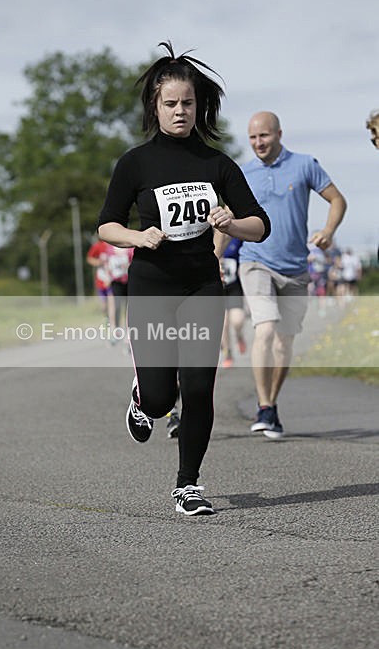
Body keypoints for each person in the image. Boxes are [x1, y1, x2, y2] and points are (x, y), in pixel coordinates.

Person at [97, 41, 270, 516]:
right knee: (161, 399)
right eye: (171, 103)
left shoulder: (217, 164)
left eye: (188, 103)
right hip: (152, 287)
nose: (180, 111)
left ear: (199, 106)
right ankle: (142, 398)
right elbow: (106, 225)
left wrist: (231, 223)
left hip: (201, 287)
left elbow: (260, 225)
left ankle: (187, 485)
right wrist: (138, 236)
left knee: (197, 389)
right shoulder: (135, 163)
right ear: (155, 107)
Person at [239, 111, 347, 439]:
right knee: (265, 328)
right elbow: (228, 216)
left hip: (295, 268)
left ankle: (270, 404)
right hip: (255, 261)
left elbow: (337, 200)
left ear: (279, 134)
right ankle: (263, 406)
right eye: (253, 137)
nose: (258, 143)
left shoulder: (304, 165)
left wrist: (328, 231)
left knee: (285, 341)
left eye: (264, 136)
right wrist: (214, 256)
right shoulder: (243, 173)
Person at [220, 236, 247, 368]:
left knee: (237, 321)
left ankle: (239, 335)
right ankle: (228, 353)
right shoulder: (208, 236)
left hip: (234, 285)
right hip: (218, 287)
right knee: (223, 324)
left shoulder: (236, 238)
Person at [86, 238, 115, 329]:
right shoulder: (98, 246)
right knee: (104, 305)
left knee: (112, 302)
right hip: (101, 279)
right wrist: (98, 262)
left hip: (112, 279)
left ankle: (112, 323)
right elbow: (89, 258)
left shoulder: (116, 244)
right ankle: (106, 318)